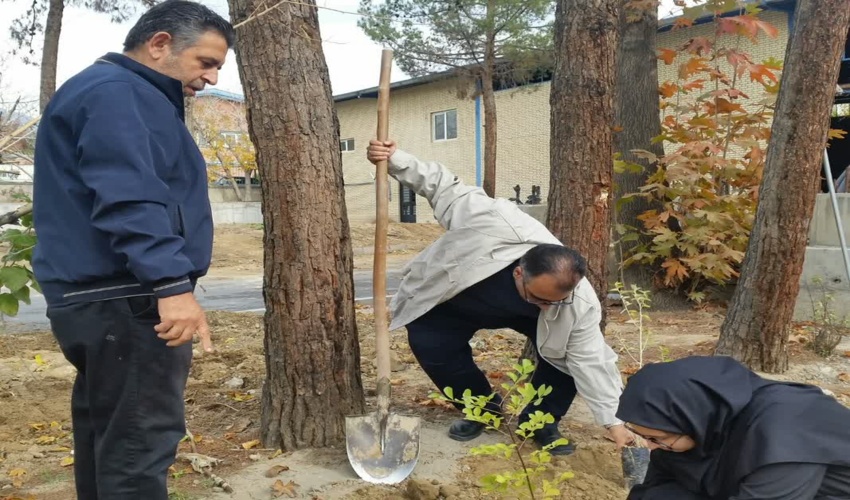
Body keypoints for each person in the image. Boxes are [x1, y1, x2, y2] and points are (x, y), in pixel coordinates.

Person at [32, 1, 234, 498]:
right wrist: (170, 284)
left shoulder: (106, 91)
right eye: (205, 62)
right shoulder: (119, 94)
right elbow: (129, 195)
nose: (210, 78)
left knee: (111, 440)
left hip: (98, 299)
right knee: (138, 449)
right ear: (160, 43)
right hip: (128, 298)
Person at [366, 140, 633, 456]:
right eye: (539, 297)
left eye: (555, 301)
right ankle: (482, 409)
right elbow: (442, 186)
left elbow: (590, 359)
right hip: (457, 300)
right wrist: (395, 159)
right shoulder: (491, 222)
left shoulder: (578, 303)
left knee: (566, 363)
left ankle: (539, 423)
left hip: (526, 320)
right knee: (430, 342)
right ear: (520, 272)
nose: (548, 306)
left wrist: (614, 422)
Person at [617, 356, 850, 500]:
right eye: (644, 436)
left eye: (656, 438)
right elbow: (654, 489)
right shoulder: (704, 421)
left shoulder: (784, 434)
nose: (648, 445)